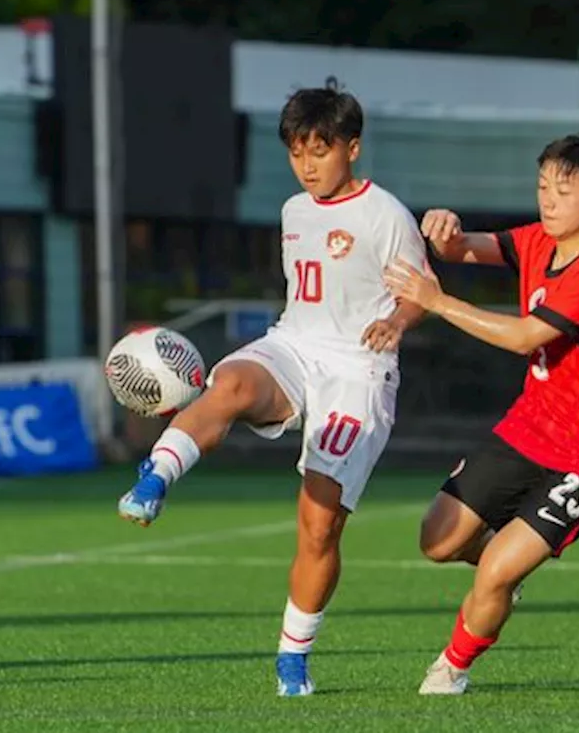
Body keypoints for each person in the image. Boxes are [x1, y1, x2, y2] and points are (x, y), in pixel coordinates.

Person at [117, 83, 429, 697]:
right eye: (295, 151)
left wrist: (396, 321)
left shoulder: (385, 214)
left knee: (318, 524)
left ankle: (293, 656)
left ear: (352, 148)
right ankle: (153, 478)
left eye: (320, 149)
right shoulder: (294, 211)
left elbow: (422, 291)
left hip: (359, 371)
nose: (308, 164)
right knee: (229, 381)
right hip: (293, 345)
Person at [383, 133, 579, 695]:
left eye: (565, 190)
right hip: (530, 426)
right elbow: (457, 250)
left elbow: (526, 337)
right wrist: (444, 228)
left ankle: (452, 668)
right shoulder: (533, 240)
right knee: (438, 540)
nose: (548, 200)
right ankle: (502, 573)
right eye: (543, 186)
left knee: (497, 568)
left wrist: (437, 302)